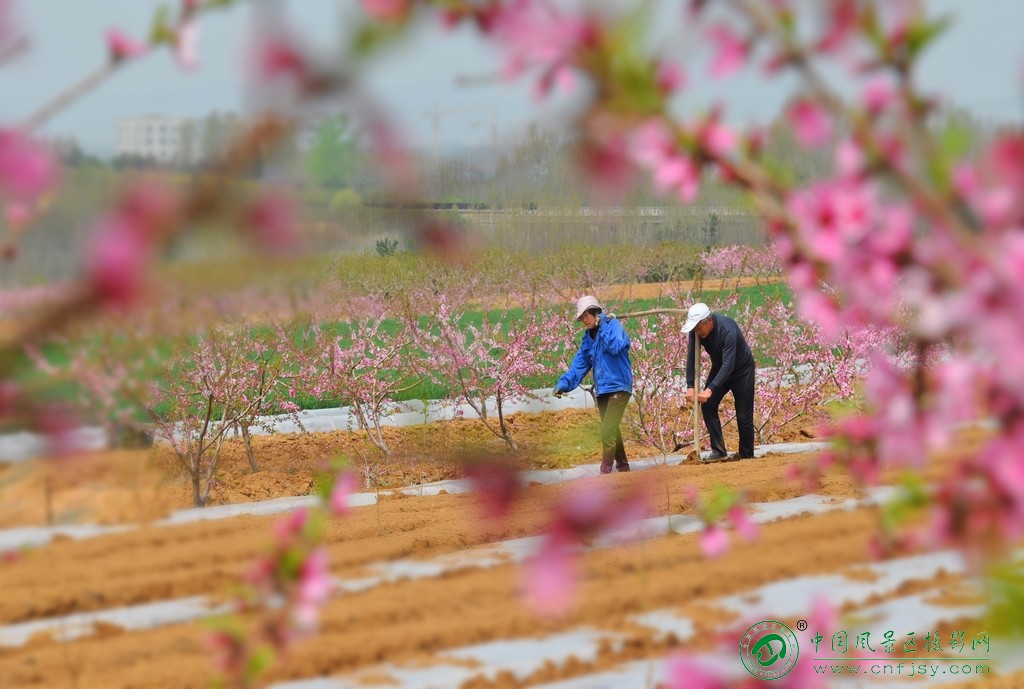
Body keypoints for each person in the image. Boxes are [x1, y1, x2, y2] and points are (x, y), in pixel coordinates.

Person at [553, 295, 634, 474]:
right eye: (581, 318)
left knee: (607, 429)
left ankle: (605, 470)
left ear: (595, 312)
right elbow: (579, 365)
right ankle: (623, 467)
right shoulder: (588, 339)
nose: (584, 321)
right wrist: (564, 383)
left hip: (619, 386)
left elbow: (615, 346)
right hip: (603, 390)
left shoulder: (613, 326)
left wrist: (604, 325)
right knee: (611, 427)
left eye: (586, 316)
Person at [682, 302, 756, 463]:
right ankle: (718, 450)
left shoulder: (727, 329)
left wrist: (709, 389)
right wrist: (690, 386)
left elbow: (728, 364)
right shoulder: (696, 332)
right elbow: (691, 357)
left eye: (698, 327)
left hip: (742, 370)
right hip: (719, 368)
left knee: (743, 415)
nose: (696, 331)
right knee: (708, 405)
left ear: (708, 321)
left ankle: (747, 455)